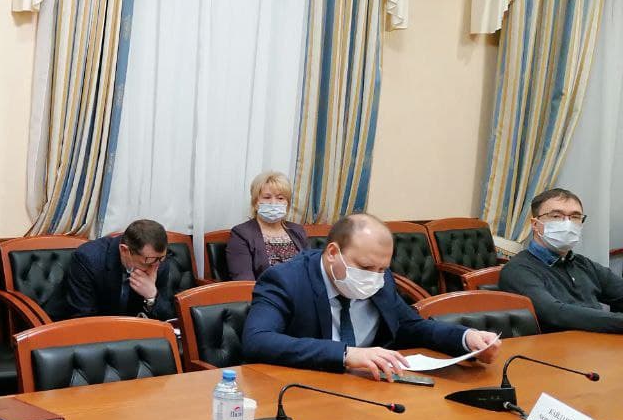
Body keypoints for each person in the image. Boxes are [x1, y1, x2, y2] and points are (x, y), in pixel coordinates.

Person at [243, 213, 501, 378]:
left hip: (371, 388)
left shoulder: (380, 279)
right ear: (332, 253)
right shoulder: (286, 280)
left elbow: (410, 326)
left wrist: (467, 339)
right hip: (307, 388)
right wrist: (346, 354)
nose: (374, 277)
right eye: (366, 267)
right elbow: (257, 340)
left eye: (381, 269)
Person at [498, 188, 623, 334]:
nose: (567, 223)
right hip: (555, 345)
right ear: (535, 224)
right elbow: (554, 313)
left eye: (575, 217)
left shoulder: (583, 264)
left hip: (599, 341)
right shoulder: (517, 270)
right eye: (556, 216)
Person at [65, 219, 176, 320]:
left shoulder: (157, 262)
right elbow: (84, 318)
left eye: (160, 260)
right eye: (147, 263)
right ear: (124, 251)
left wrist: (152, 297)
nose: (154, 268)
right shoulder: (88, 259)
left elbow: (168, 318)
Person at [227, 170, 309, 280]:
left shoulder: (297, 230)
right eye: (267, 197)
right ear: (255, 203)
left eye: (280, 198)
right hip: (265, 291)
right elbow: (243, 280)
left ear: (287, 204)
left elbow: (311, 269)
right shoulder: (241, 234)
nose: (273, 203)